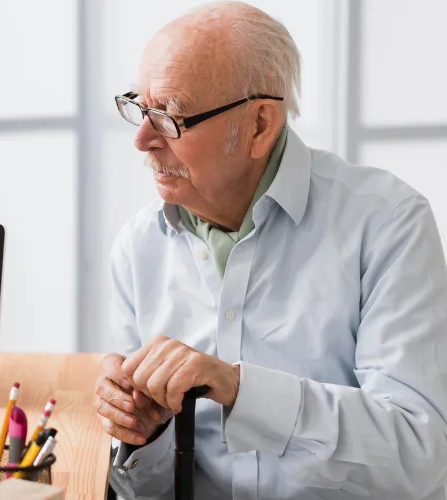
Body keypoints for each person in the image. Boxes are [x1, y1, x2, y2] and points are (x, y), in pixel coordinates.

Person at [96, 2, 447, 499]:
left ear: (260, 125)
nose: (142, 138)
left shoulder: (389, 223)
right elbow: (148, 489)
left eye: (170, 115)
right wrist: (143, 434)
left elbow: (420, 455)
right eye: (139, 106)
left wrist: (240, 389)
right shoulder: (138, 247)